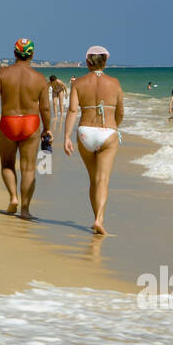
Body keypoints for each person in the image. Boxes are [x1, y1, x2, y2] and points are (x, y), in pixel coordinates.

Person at [0, 38, 50, 219]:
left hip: (9, 121)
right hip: (31, 123)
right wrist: (47, 128)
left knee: (7, 164)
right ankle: (25, 210)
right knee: (28, 169)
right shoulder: (39, 78)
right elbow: (45, 108)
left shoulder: (2, 74)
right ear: (32, 55)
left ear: (14, 53)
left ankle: (13, 197)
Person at [63, 46, 123, 237]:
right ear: (105, 62)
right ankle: (99, 219)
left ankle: (95, 218)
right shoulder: (115, 83)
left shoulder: (78, 83)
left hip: (85, 132)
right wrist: (114, 127)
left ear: (88, 62)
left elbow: (72, 111)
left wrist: (66, 137)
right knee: (103, 179)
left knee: (92, 179)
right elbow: (120, 112)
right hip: (108, 132)